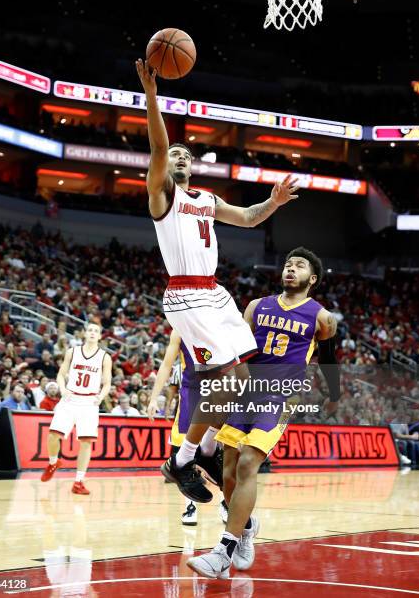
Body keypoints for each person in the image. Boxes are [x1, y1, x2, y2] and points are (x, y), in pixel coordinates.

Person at [136, 59, 300, 503]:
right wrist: (152, 97)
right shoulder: (162, 195)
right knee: (226, 377)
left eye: (186, 155)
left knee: (242, 375)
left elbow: (247, 218)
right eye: (175, 155)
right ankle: (183, 459)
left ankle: (205, 450)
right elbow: (157, 147)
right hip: (187, 295)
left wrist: (273, 201)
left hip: (215, 291)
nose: (180, 157)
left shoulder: (206, 198)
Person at [187, 247, 341, 578]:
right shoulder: (257, 306)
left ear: (311, 279)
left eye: (299, 266)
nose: (291, 269)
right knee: (227, 472)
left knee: (247, 464)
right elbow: (235, 350)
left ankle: (222, 551)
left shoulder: (321, 317)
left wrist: (334, 393)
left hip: (282, 395)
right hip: (246, 391)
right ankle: (245, 528)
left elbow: (328, 358)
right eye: (288, 264)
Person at [149, 330, 228, 527]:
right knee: (186, 461)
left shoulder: (224, 325)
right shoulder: (180, 330)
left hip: (221, 395)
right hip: (192, 397)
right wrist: (153, 397)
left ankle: (226, 503)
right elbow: (167, 365)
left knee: (222, 456)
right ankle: (190, 507)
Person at [40, 322, 112, 495]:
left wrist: (100, 397)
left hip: (89, 403)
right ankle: (53, 462)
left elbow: (107, 383)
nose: (93, 333)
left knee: (86, 443)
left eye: (96, 331)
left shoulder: (104, 357)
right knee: (53, 435)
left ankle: (78, 482)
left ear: (100, 336)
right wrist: (63, 389)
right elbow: (60, 374)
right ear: (84, 334)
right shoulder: (72, 352)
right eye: (90, 330)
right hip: (70, 398)